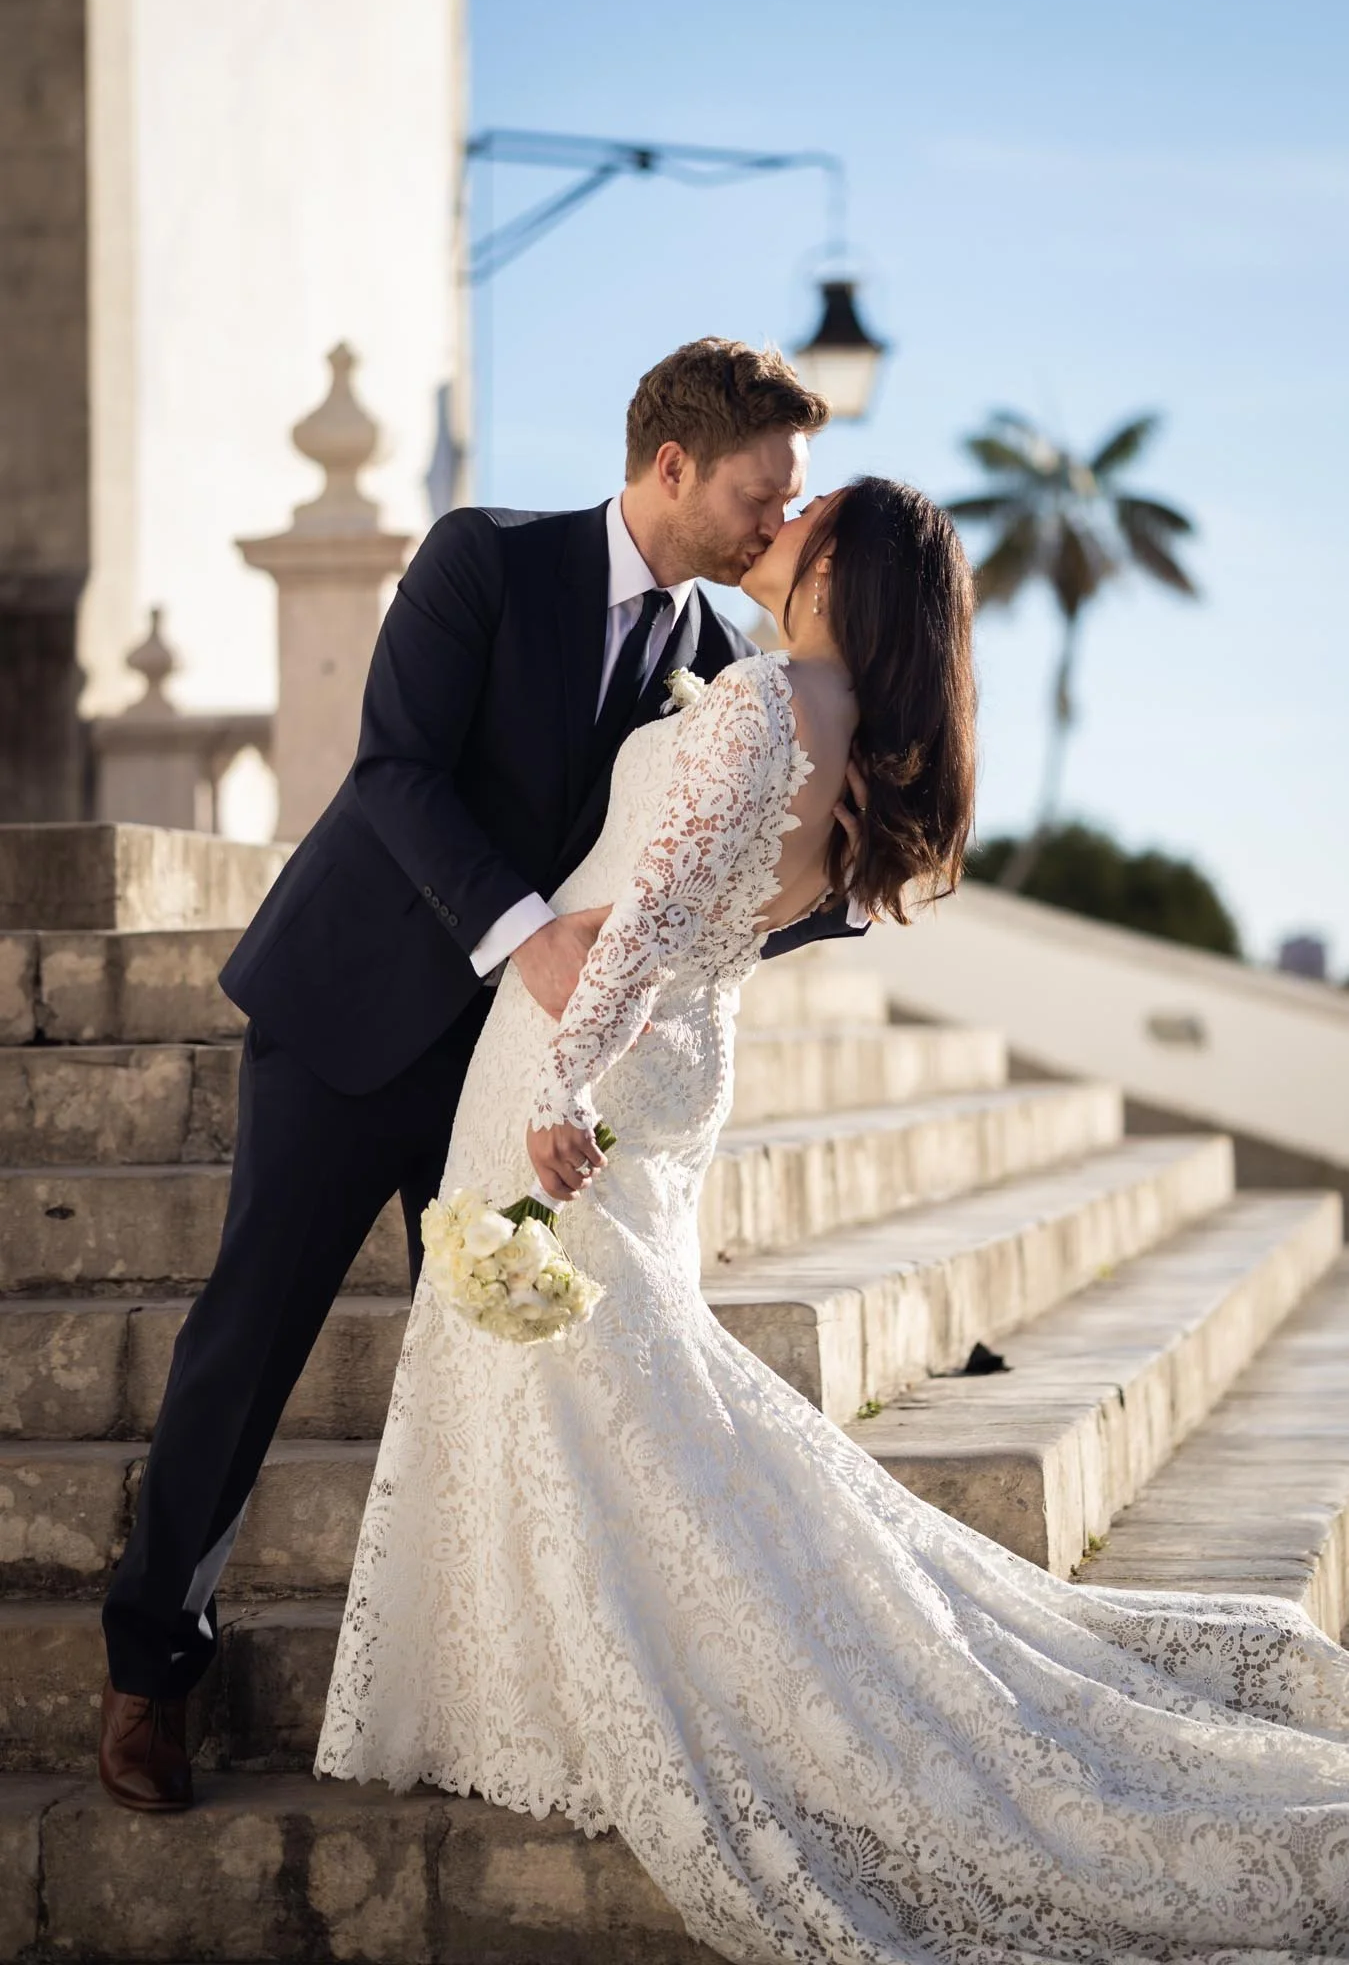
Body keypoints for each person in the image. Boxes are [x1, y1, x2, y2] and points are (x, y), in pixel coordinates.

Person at [317, 477, 1349, 1963]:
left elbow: (657, 918)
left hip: (591, 1050)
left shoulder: (760, 705)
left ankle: (608, 1676)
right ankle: (536, 1677)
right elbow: (706, 914)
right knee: (613, 1375)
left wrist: (567, 1073)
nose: (776, 519)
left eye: (807, 515)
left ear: (843, 570)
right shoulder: (846, 739)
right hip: (679, 1057)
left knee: (586, 1367)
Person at [98, 339, 863, 1812]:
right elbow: (394, 771)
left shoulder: (724, 666)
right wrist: (529, 941)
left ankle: (490, 1685)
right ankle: (148, 1677)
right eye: (764, 497)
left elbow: (700, 883)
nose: (779, 525)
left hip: (519, 1074)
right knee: (248, 1338)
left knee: (500, 1369)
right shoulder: (483, 561)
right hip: (355, 1016)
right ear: (671, 468)